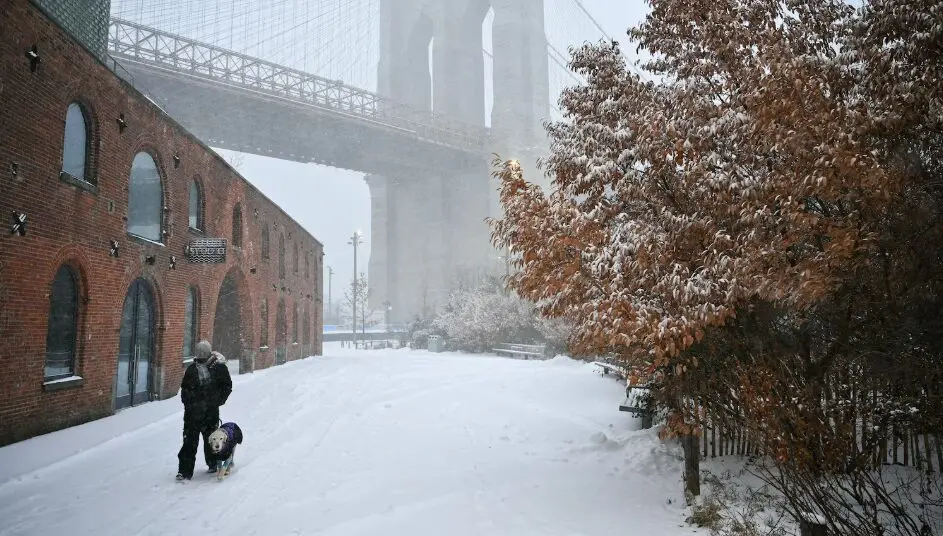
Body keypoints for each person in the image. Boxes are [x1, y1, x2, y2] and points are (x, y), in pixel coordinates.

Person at [176, 340, 232, 480]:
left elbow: (227, 386)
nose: (201, 355)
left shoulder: (219, 368)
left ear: (208, 353)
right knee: (189, 442)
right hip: (192, 414)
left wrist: (217, 401)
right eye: (199, 353)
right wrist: (190, 403)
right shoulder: (191, 369)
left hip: (210, 412)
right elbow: (185, 390)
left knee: (212, 440)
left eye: (203, 353)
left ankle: (213, 463)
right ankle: (184, 471)